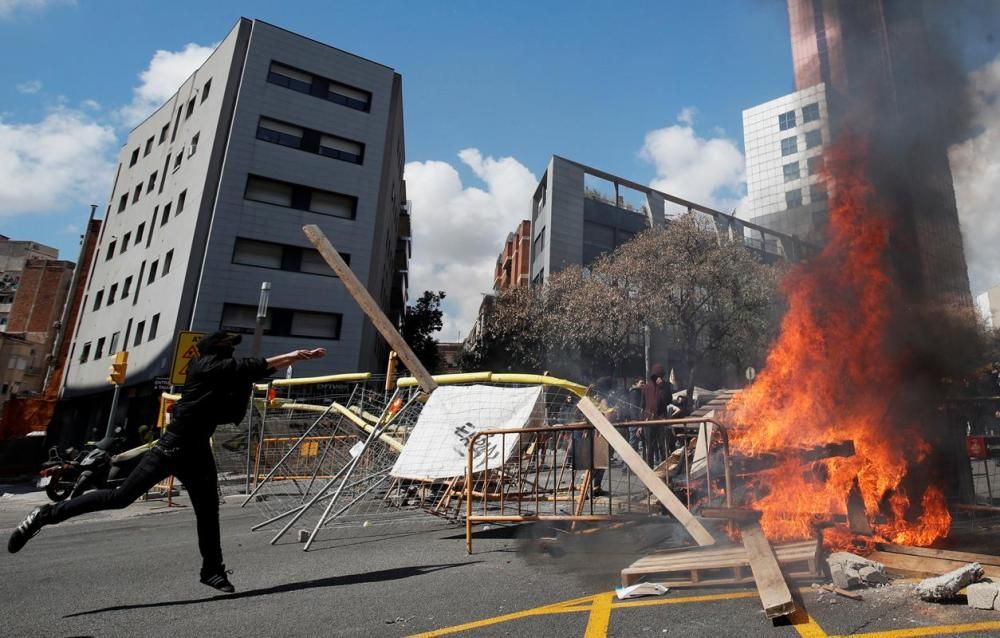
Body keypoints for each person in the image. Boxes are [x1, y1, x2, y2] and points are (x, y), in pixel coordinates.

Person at [7, 331, 326, 593]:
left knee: (208, 510)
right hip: (171, 448)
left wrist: (294, 357)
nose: (231, 353)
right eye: (227, 348)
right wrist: (290, 357)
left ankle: (212, 570)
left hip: (198, 450)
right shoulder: (204, 369)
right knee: (119, 498)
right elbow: (247, 367)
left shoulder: (223, 374)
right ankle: (45, 515)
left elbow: (254, 370)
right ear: (213, 352)